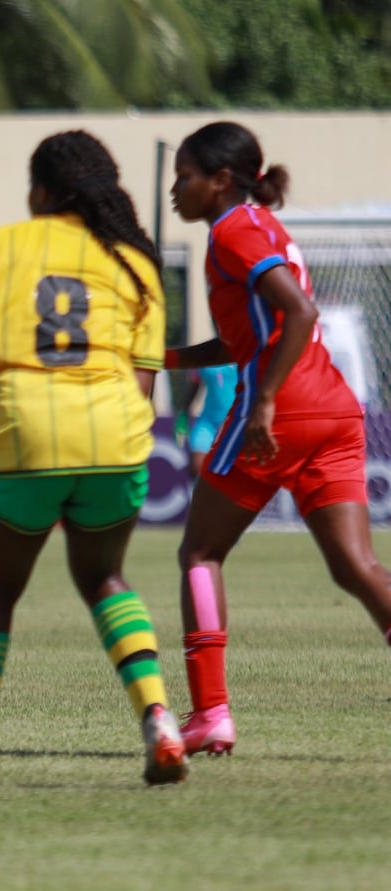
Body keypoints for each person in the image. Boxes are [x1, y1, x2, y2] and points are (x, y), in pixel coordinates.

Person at [0, 130, 188, 789]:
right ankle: (158, 716)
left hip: (26, 433)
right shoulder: (136, 262)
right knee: (105, 578)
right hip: (115, 435)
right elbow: (145, 384)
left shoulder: (0, 244)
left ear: (41, 191)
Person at [166, 120, 391, 756]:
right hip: (334, 410)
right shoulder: (262, 227)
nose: (175, 190)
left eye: (184, 176)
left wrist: (263, 401)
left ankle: (210, 714)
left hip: (283, 410)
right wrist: (165, 359)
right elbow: (251, 334)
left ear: (221, 181)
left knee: (199, 554)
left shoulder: (234, 230)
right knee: (356, 566)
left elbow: (299, 312)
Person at [175, 363, 238, 480]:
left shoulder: (243, 353)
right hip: (208, 423)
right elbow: (194, 387)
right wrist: (183, 415)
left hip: (235, 424)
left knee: (231, 477)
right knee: (197, 469)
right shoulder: (206, 356)